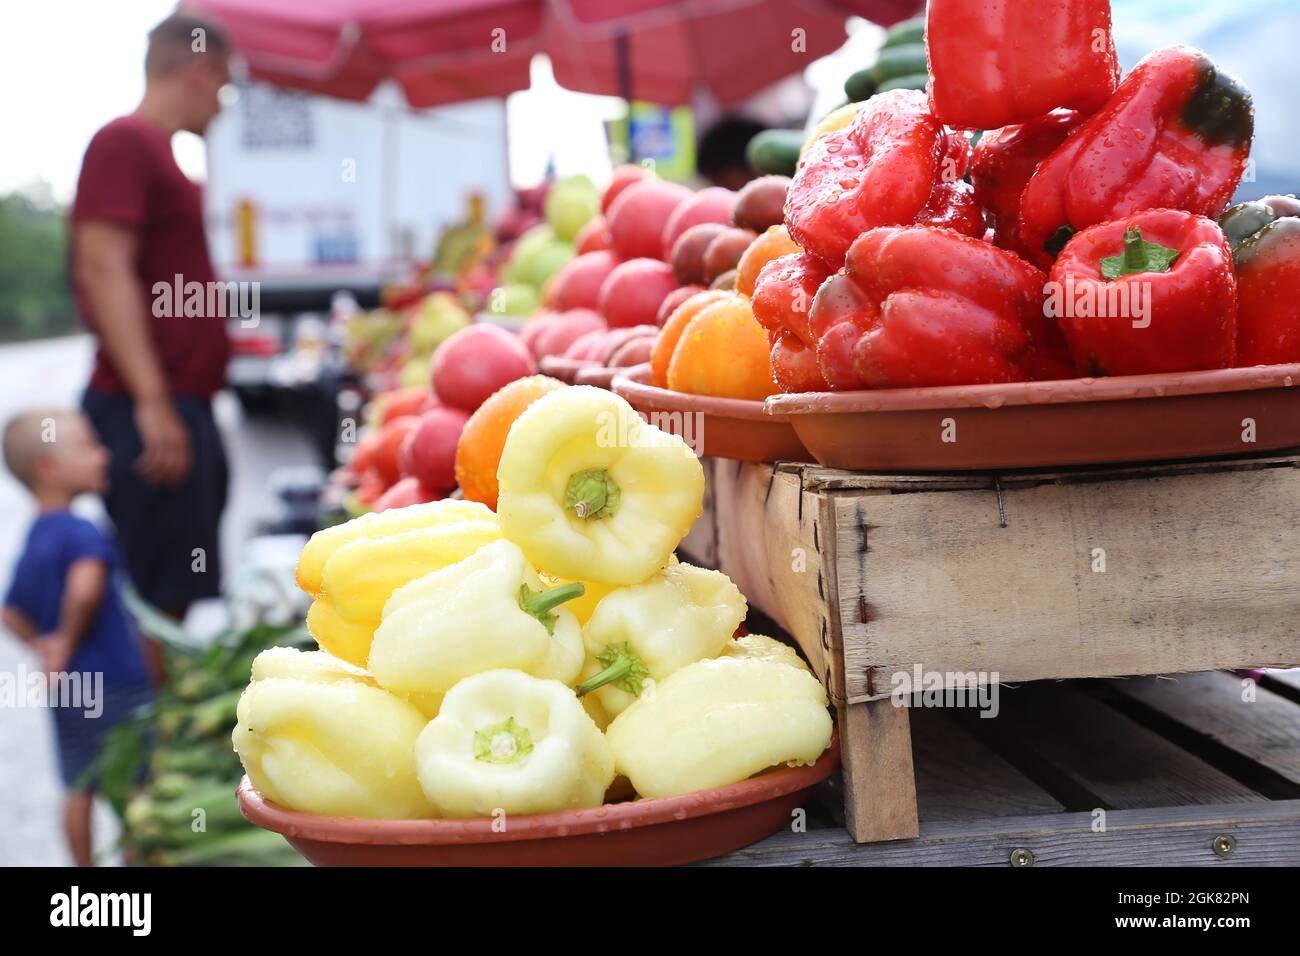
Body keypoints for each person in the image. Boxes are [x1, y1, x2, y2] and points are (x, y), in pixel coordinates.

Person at [71, 13, 232, 622]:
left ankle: (161, 705)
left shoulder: (164, 157)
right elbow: (102, 268)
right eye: (223, 85)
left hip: (177, 399)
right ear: (199, 69)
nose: (222, 104)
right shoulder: (125, 142)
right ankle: (150, 716)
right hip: (146, 403)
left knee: (177, 588)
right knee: (158, 594)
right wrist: (152, 399)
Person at [2, 410, 156, 867]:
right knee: (134, 784)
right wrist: (66, 640)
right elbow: (86, 588)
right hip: (115, 684)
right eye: (88, 446)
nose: (103, 454)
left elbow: (10, 610)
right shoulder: (82, 530)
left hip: (68, 687)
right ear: (48, 468)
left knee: (77, 784)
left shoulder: (36, 535)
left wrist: (44, 647)